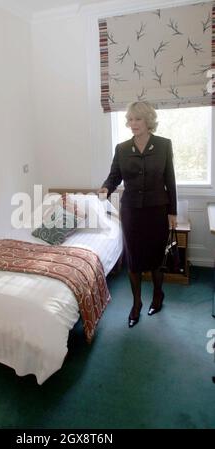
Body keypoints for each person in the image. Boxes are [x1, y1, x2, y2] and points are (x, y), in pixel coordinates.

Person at [98, 101, 177, 328]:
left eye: (138, 119)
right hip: (131, 210)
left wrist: (172, 211)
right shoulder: (122, 149)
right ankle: (136, 304)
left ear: (148, 121)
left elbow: (170, 179)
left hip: (157, 210)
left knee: (155, 258)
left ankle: (158, 296)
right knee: (134, 260)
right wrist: (106, 187)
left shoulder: (163, 145)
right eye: (130, 119)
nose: (133, 124)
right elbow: (114, 176)